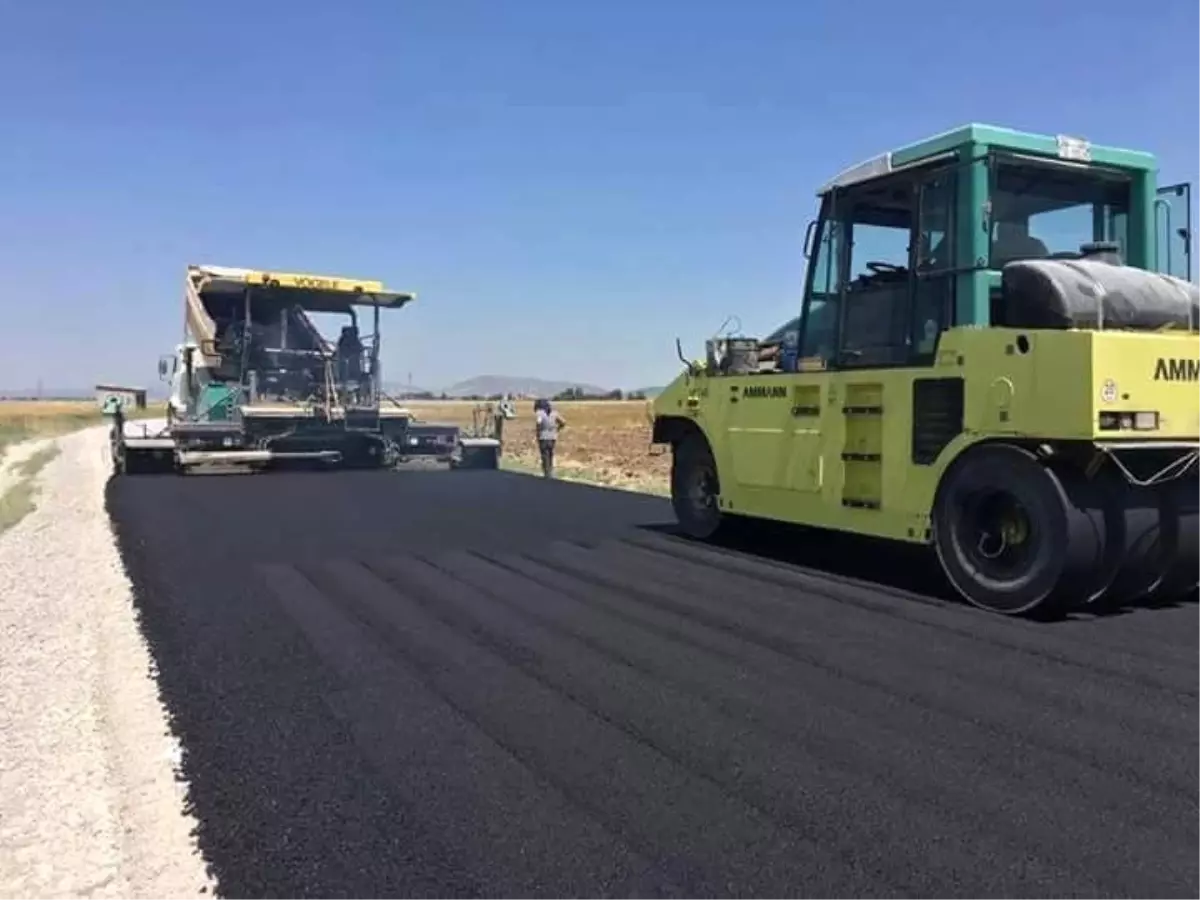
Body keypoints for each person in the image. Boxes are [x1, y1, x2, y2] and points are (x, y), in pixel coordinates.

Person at [533, 398, 566, 478]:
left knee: (545, 456)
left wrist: (537, 434)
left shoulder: (540, 413)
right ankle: (551, 472)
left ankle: (547, 475)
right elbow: (563, 422)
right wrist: (557, 429)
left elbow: (538, 423)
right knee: (550, 455)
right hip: (552, 438)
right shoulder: (555, 413)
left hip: (543, 438)